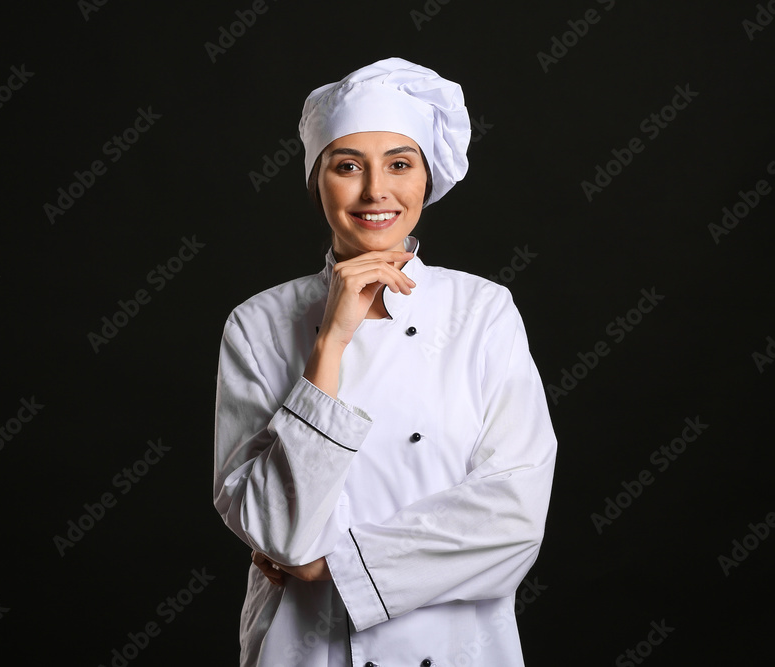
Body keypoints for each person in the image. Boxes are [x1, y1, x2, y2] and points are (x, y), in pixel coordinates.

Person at [213, 57, 557, 667]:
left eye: (400, 165)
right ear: (318, 180)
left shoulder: (482, 312)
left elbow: (514, 515)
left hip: (457, 648)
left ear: (427, 177)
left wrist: (335, 566)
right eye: (348, 167)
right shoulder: (258, 324)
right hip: (303, 647)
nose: (376, 191)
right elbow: (278, 531)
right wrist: (331, 343)